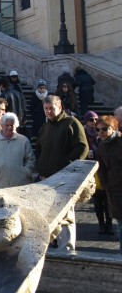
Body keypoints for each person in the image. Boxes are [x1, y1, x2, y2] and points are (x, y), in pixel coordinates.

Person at [34, 94, 89, 254]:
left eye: (52, 108)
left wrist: (67, 166)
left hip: (64, 178)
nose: (49, 111)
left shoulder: (71, 123)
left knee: (65, 213)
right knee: (48, 212)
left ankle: (67, 246)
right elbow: (39, 148)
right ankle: (52, 242)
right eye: (46, 109)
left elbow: (82, 147)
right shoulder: (45, 127)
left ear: (59, 107)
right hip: (45, 177)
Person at [0, 112, 36, 189]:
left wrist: (26, 172)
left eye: (12, 125)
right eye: (7, 125)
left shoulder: (23, 140)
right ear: (2, 126)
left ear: (16, 126)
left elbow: (30, 159)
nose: (9, 127)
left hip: (20, 184)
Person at [94, 115, 122, 253]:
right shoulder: (101, 147)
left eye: (104, 129)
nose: (101, 132)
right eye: (98, 130)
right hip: (114, 190)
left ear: (113, 128)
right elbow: (101, 169)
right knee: (120, 224)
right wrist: (106, 186)